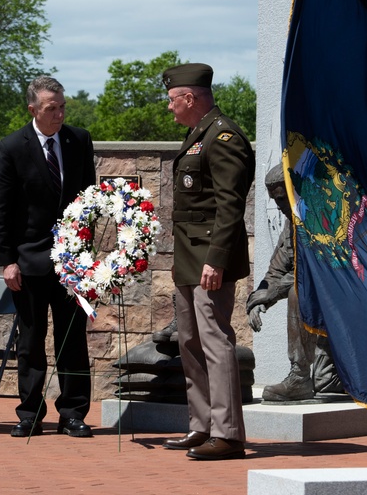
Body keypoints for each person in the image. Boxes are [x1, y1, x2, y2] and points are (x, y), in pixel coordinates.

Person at [0, 76, 96, 438]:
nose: (60, 114)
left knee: (72, 341)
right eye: (52, 108)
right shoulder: (11, 147)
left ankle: (73, 413)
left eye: (63, 106)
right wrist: (7, 261)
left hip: (71, 263)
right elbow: (0, 211)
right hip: (28, 261)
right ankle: (30, 413)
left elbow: (88, 202)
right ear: (33, 109)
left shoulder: (79, 141)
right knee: (31, 342)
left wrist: (84, 256)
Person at [159, 63, 254, 460]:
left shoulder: (224, 137)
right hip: (189, 258)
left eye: (171, 100)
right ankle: (202, 424)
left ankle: (228, 433)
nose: (169, 108)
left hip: (209, 260)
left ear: (189, 98)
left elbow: (230, 206)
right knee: (190, 343)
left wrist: (215, 260)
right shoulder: (198, 135)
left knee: (215, 341)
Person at [246, 164, 342, 402]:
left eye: (282, 198)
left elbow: (319, 270)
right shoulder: (293, 223)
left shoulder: (329, 213)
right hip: (324, 316)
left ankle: (299, 375)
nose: (279, 207)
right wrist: (259, 299)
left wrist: (275, 291)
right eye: (275, 201)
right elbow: (278, 268)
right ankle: (313, 378)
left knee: (299, 293)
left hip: (348, 308)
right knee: (325, 380)